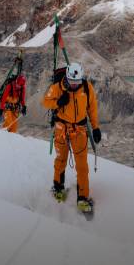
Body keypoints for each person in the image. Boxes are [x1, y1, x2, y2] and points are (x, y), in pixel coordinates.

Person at [42, 62, 101, 212]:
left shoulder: (87, 88)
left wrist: (96, 128)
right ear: (67, 78)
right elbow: (45, 102)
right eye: (72, 82)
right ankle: (58, 188)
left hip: (79, 130)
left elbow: (92, 109)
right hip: (62, 128)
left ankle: (82, 198)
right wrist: (57, 102)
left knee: (82, 166)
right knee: (60, 159)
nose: (74, 85)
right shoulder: (57, 88)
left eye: (77, 82)